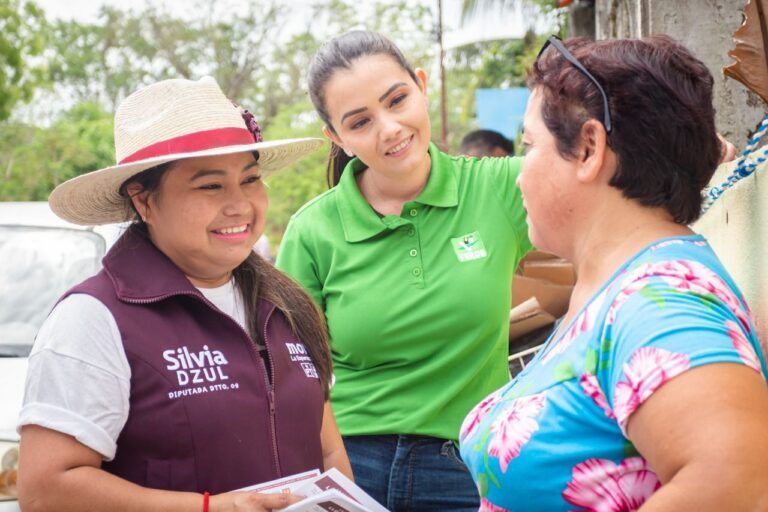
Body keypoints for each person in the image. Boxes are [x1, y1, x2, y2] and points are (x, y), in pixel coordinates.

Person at [459, 35, 768, 511]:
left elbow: (739, 482)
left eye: (530, 145)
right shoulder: (623, 287)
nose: (519, 174)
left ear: (588, 149)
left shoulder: (659, 298)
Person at [17, 76, 352, 512]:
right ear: (144, 202)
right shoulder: (94, 319)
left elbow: (327, 453)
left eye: (250, 179)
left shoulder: (286, 303)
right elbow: (46, 491)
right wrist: (210, 508)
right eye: (210, 185)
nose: (240, 204)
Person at [275, 30, 532, 511]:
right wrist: (333, 481)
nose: (389, 128)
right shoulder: (312, 231)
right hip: (350, 467)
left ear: (420, 85)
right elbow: (291, 374)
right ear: (337, 138)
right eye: (360, 122)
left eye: (397, 99)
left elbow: (602, 185)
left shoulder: (500, 187)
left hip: (467, 467)